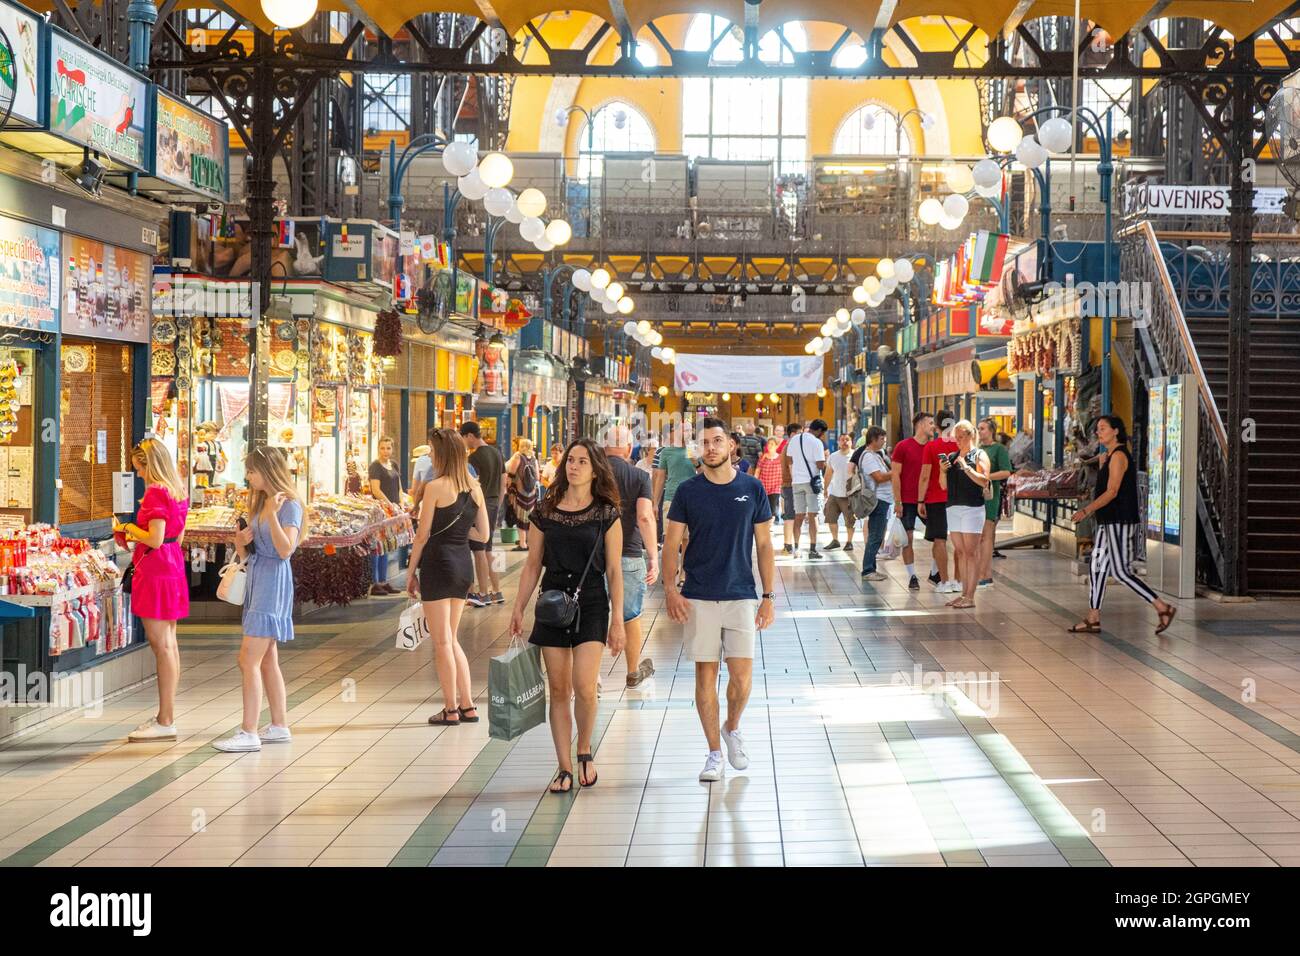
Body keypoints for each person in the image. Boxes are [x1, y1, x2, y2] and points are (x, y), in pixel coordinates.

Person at [662, 418, 775, 782]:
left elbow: (764, 545)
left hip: (741, 594)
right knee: (705, 676)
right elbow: (671, 542)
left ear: (731, 447)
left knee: (742, 678)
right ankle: (713, 752)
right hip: (698, 596)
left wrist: (769, 596)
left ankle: (732, 727)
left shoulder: (752, 488)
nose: (710, 447)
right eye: (704, 442)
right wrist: (670, 590)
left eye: (717, 441)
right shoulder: (688, 492)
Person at [510, 439, 625, 793]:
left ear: (595, 470)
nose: (573, 466)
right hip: (552, 603)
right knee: (558, 689)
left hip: (591, 602)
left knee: (584, 687)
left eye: (582, 462)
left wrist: (618, 620)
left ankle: (584, 749)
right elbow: (532, 565)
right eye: (570, 461)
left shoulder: (606, 513)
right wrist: (518, 607)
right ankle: (563, 767)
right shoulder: (545, 511)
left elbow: (615, 570)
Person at [213, 447, 305, 752]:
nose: (248, 476)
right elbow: (249, 554)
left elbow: (285, 549)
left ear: (268, 470)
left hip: (272, 582)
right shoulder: (259, 503)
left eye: (252, 470)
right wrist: (241, 543)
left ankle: (249, 731)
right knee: (266, 660)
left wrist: (270, 517)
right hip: (257, 577)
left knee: (247, 660)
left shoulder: (287, 504)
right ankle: (278, 725)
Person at [407, 429, 489, 726]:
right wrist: (459, 531)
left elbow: (422, 535)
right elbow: (484, 534)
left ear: (442, 454)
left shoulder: (435, 487)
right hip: (462, 566)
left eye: (431, 450)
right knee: (451, 639)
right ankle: (468, 706)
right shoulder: (475, 487)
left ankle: (450, 708)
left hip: (438, 564)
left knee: (441, 642)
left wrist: (410, 571)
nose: (428, 454)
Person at [1068, 416, 1177, 635]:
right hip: (1106, 523)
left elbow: (1112, 491)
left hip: (1119, 521)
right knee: (1097, 567)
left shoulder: (1118, 456)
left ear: (1115, 431)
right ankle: (1093, 617)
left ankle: (1162, 607)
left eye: (1103, 428)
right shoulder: (1106, 456)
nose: (1099, 432)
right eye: (1097, 429)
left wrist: (1086, 511)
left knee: (1120, 572)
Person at [116, 438, 189, 742]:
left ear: (150, 465)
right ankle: (165, 715)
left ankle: (166, 719)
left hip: (155, 569)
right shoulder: (178, 490)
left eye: (140, 469)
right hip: (172, 566)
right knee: (169, 644)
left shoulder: (155, 493)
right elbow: (178, 536)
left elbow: (155, 538)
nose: (140, 476)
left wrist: (127, 529)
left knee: (161, 646)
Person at [603, 426, 659, 688]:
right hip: (629, 553)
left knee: (594, 614)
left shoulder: (591, 474)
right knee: (631, 615)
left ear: (604, 448)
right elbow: (645, 517)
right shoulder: (639, 476)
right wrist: (653, 557)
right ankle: (633, 671)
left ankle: (593, 678)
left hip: (594, 557)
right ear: (627, 449)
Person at [937, 421, 991, 608]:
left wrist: (967, 468)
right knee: (960, 552)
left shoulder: (979, 454)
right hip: (953, 507)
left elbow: (984, 480)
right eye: (956, 438)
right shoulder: (952, 457)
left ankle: (970, 596)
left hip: (972, 508)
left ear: (970, 436)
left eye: (961, 437)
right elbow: (943, 485)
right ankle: (963, 594)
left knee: (970, 552)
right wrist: (943, 471)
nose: (957, 441)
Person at [460, 421, 506, 607]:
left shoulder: (474, 458)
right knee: (488, 549)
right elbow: (504, 482)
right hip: (494, 502)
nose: (464, 442)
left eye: (464, 438)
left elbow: (471, 485)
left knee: (478, 549)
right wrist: (499, 502)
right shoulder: (497, 452)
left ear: (470, 436)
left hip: (480, 504)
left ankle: (482, 594)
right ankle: (496, 591)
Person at [890, 412, 933, 591]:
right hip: (907, 500)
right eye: (931, 423)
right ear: (921, 425)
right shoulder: (903, 446)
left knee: (938, 537)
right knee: (907, 538)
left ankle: (935, 573)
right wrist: (898, 501)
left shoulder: (933, 447)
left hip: (929, 499)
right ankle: (912, 576)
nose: (934, 427)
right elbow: (895, 475)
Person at [917, 412, 959, 594]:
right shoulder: (961, 445)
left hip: (936, 498)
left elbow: (925, 476)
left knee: (939, 540)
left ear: (936, 426)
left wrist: (920, 500)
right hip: (958, 498)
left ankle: (945, 581)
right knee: (960, 541)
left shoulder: (931, 447)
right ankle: (959, 581)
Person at [853, 426, 893, 582]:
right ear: (873, 439)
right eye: (882, 438)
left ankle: (871, 568)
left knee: (876, 535)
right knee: (875, 536)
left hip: (882, 499)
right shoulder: (869, 457)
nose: (884, 441)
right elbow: (879, 477)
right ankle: (868, 570)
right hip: (878, 500)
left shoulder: (875, 455)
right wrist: (895, 472)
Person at [977, 418, 1013, 587]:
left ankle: (986, 574)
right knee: (977, 537)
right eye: (978, 428)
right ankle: (979, 572)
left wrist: (987, 477)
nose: (979, 431)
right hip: (975, 496)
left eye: (982, 428)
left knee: (987, 535)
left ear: (991, 431)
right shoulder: (976, 449)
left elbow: (1006, 471)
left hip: (990, 496)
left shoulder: (998, 449)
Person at [786, 417, 828, 559]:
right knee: (813, 515)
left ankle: (797, 549)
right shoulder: (817, 443)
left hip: (796, 482)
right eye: (823, 434)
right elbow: (820, 465)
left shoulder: (795, 439)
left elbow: (790, 459)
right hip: (811, 482)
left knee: (798, 516)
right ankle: (812, 550)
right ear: (819, 431)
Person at [367, 436, 403, 596]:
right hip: (381, 511)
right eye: (382, 448)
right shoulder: (375, 466)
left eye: (388, 448)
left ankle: (383, 581)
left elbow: (399, 486)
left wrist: (401, 503)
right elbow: (376, 490)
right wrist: (390, 504)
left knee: (388, 546)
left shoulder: (393, 464)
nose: (386, 451)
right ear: (378, 449)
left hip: (394, 511)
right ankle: (375, 583)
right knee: (377, 547)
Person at [505, 438, 541, 552]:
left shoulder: (518, 457)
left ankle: (522, 544)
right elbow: (537, 478)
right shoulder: (534, 459)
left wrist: (508, 488)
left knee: (520, 518)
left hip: (520, 493)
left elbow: (511, 473)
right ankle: (528, 542)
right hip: (531, 494)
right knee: (529, 519)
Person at [823, 432, 856, 552]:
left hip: (850, 495)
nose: (845, 442)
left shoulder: (855, 455)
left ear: (851, 442)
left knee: (850, 520)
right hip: (835, 493)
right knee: (830, 517)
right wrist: (825, 489)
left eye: (847, 440)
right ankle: (835, 540)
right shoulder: (833, 456)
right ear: (838, 442)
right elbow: (828, 474)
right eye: (842, 440)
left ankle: (849, 542)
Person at [779, 422, 799, 552]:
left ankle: (789, 544)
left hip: (788, 485)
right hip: (790, 485)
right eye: (798, 433)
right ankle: (787, 545)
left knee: (790, 514)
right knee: (790, 515)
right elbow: (792, 468)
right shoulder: (790, 447)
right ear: (792, 434)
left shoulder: (788, 446)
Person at [755, 436, 783, 526]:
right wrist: (755, 483)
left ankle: (770, 525)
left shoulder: (780, 458)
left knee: (773, 507)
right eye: (768, 444)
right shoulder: (763, 457)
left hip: (775, 486)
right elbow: (758, 471)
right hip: (764, 485)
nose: (770, 446)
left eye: (772, 444)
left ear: (776, 446)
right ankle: (766, 524)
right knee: (764, 506)